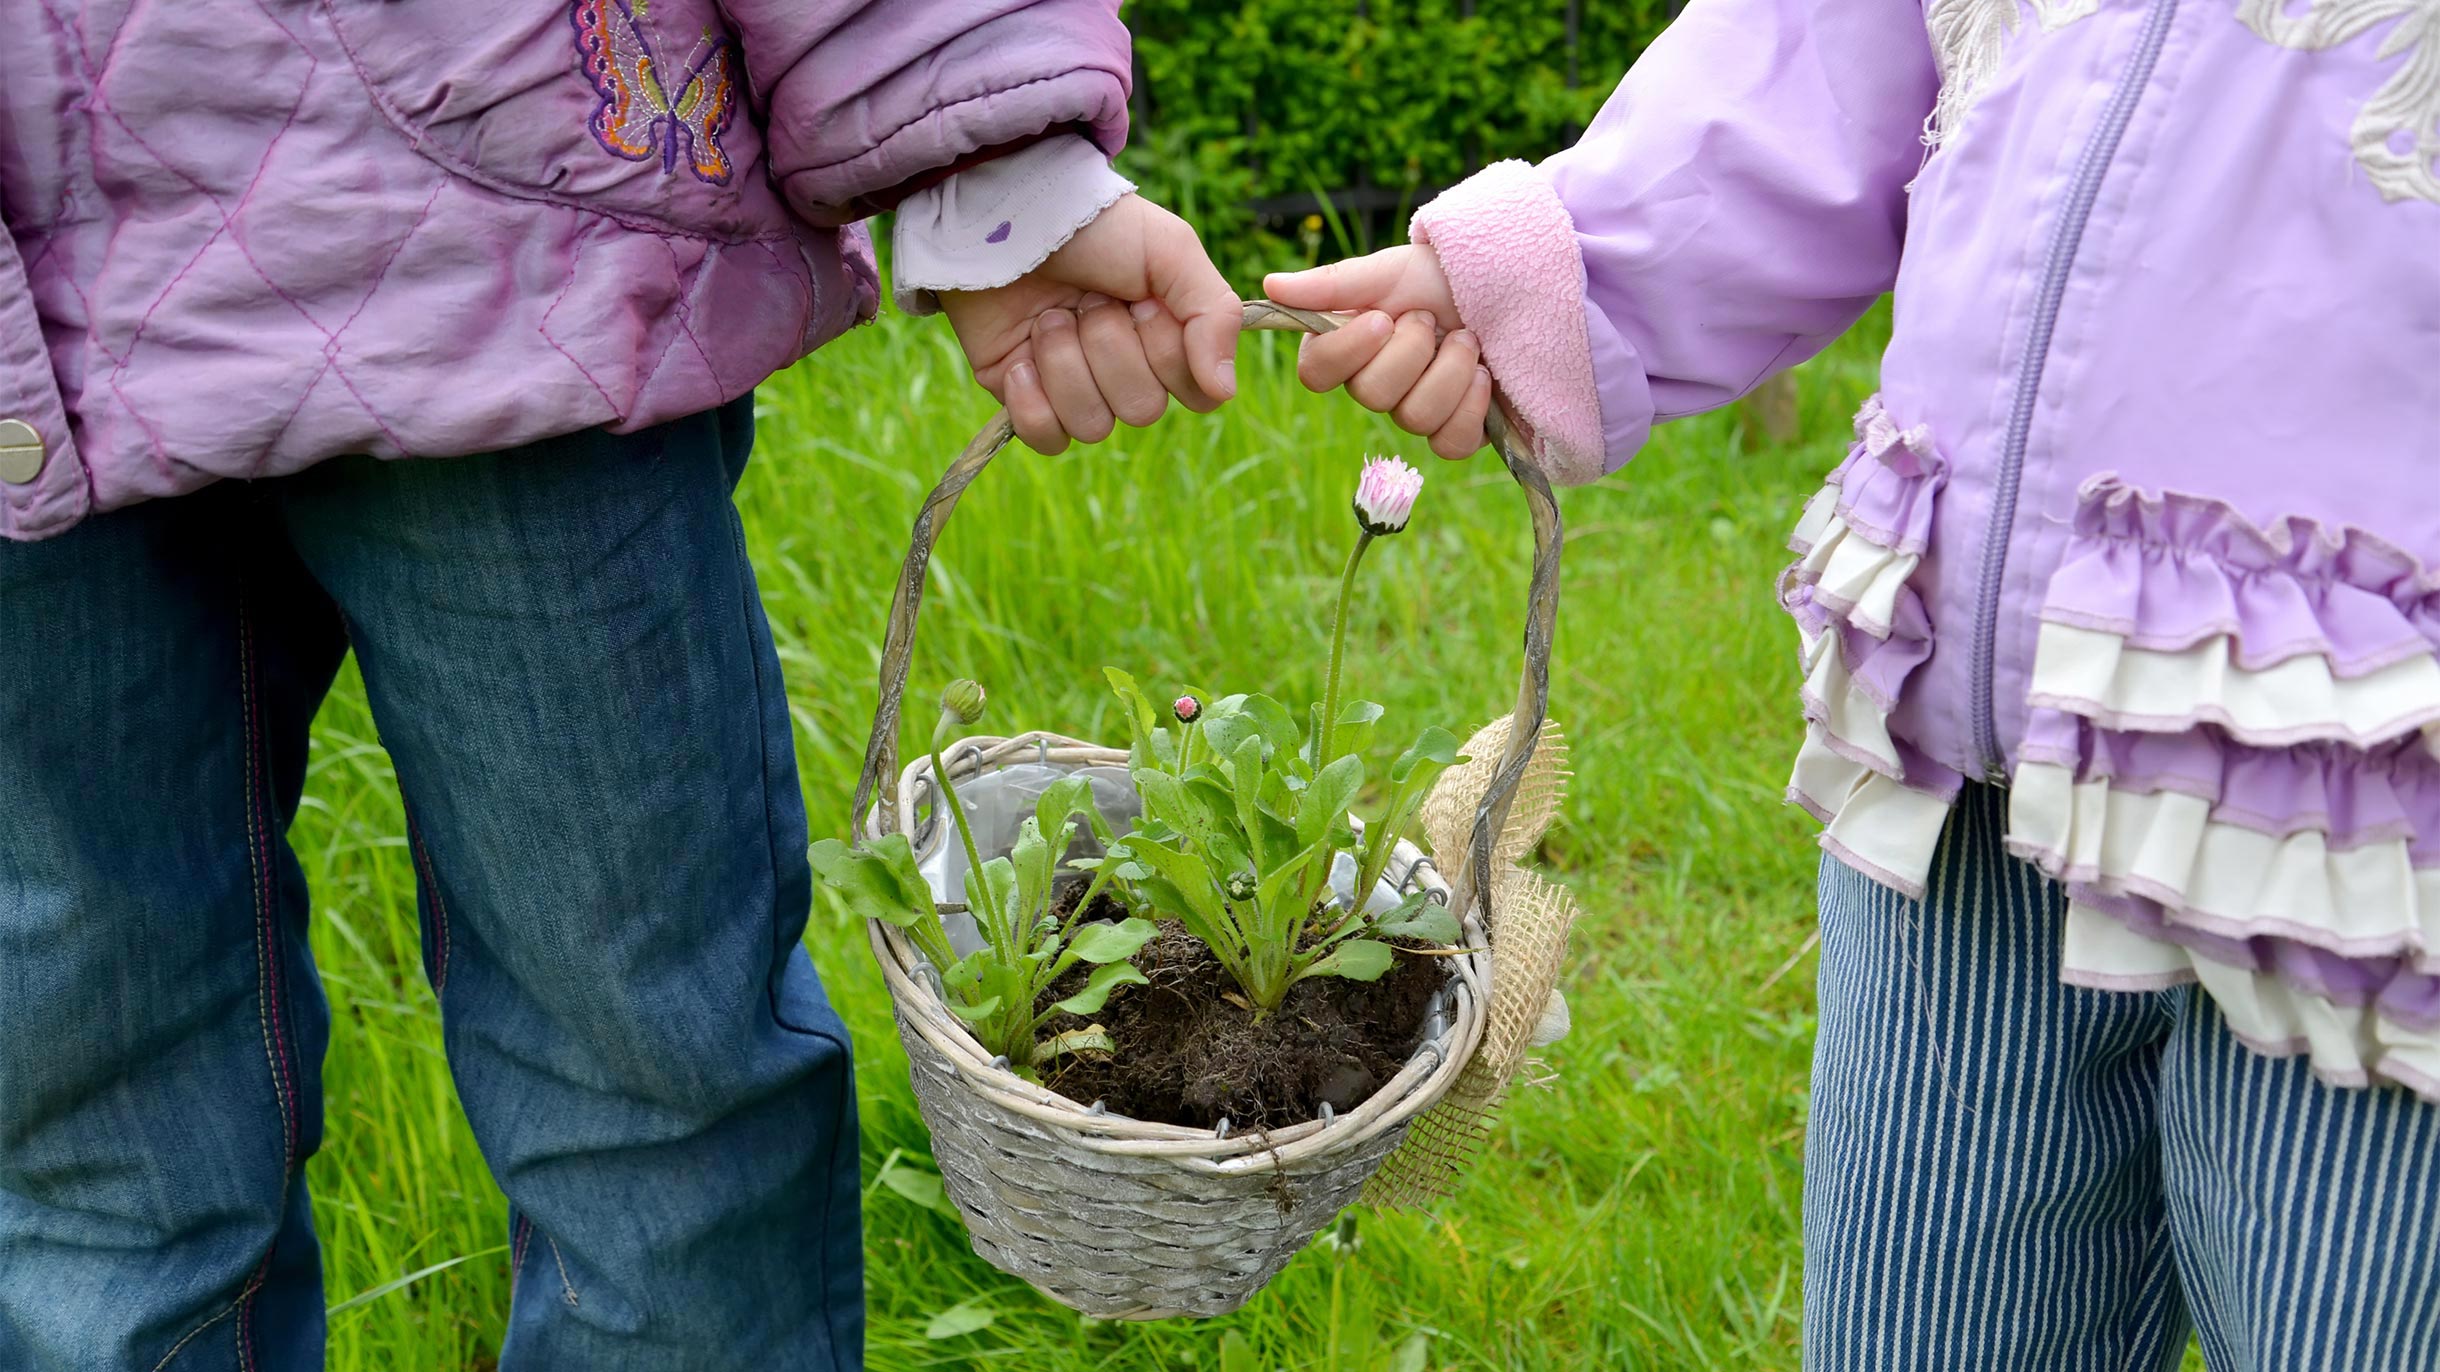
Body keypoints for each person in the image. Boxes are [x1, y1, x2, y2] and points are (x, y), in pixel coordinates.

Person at [0, 3, 1237, 1368]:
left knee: (651, 1075)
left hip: (497, 244)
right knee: (84, 1132)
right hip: (49, 347)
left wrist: (990, 166)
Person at [1270, 1, 2440, 1366]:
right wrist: (1570, 273)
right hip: (1958, 764)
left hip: (2381, 833)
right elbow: (1832, 44)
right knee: (1923, 1326)